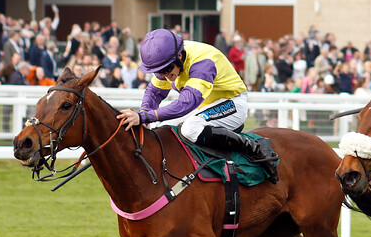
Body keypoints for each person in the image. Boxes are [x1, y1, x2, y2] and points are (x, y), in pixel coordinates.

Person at [116, 29, 276, 170]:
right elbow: (155, 92)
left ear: (179, 56)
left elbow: (187, 102)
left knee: (190, 129)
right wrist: (144, 114)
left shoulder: (203, 62)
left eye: (166, 70)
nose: (163, 75)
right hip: (203, 107)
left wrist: (144, 116)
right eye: (158, 72)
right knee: (158, 126)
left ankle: (254, 148)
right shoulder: (168, 61)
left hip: (232, 104)